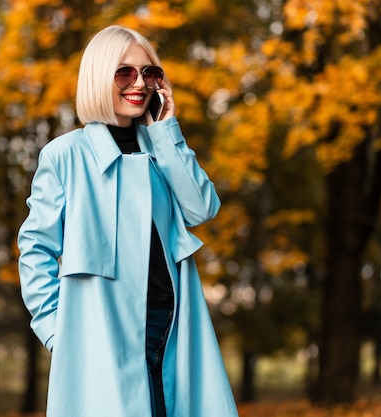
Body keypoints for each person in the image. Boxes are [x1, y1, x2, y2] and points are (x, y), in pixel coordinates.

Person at [17, 25, 238, 417]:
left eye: (149, 72)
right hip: (102, 336)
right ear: (100, 76)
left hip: (172, 330)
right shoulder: (65, 156)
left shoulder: (162, 147)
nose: (140, 83)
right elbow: (36, 251)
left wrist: (168, 129)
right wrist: (59, 333)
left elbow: (202, 209)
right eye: (125, 72)